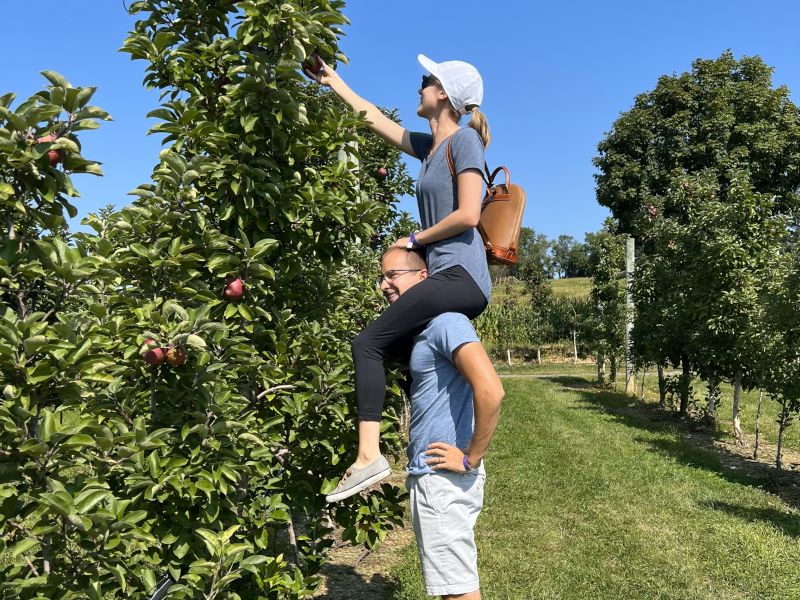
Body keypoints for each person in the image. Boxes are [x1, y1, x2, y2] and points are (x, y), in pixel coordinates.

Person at [305, 54, 494, 502]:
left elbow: (468, 214)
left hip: (460, 275)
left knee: (367, 343)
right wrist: (333, 81)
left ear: (443, 93)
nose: (420, 85)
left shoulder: (465, 142)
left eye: (426, 80)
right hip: (445, 275)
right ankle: (430, 443)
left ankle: (368, 456)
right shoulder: (431, 147)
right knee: (406, 354)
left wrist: (415, 238)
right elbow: (372, 118)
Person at [380, 246, 504, 599]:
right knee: (456, 586)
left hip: (442, 477)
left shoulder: (446, 321)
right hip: (436, 476)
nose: (384, 285)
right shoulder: (426, 329)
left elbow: (491, 390)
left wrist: (470, 457)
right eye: (381, 277)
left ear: (424, 278)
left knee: (457, 593)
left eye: (393, 275)